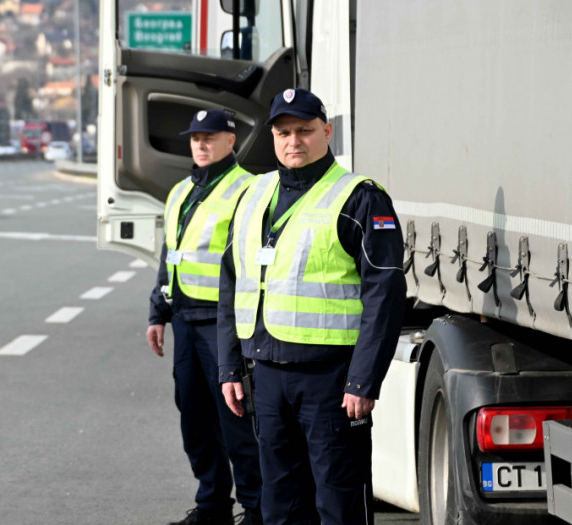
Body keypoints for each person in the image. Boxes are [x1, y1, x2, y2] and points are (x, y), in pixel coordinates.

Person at [217, 89, 407, 525]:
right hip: (266, 378)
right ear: (272, 136)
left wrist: (364, 380)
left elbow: (385, 294)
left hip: (331, 383)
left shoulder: (359, 197)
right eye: (283, 132)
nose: (293, 141)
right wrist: (229, 367)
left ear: (327, 131)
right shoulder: (253, 195)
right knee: (280, 506)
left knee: (339, 504)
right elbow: (232, 283)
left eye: (304, 130)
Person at [147, 109, 263, 525]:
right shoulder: (180, 191)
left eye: (209, 137)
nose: (200, 144)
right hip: (184, 318)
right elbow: (170, 254)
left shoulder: (248, 189)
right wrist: (157, 312)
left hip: (223, 321)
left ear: (230, 141)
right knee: (194, 417)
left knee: (235, 420)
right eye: (195, 138)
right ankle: (213, 505)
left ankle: (257, 509)